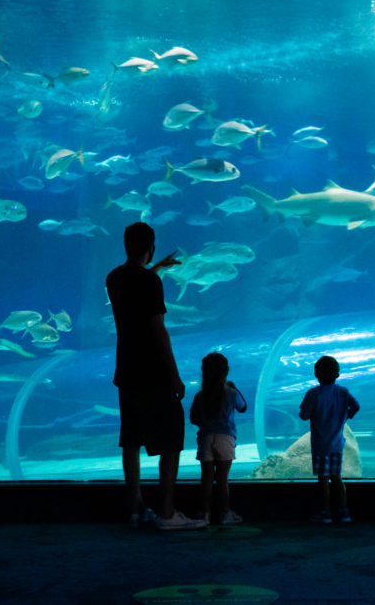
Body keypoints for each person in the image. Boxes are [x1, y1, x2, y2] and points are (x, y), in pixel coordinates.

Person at [105, 222, 205, 531]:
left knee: (132, 439)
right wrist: (175, 376)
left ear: (126, 245)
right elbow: (157, 329)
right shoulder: (149, 282)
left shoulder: (113, 278)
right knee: (172, 438)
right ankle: (166, 511)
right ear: (151, 246)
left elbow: (136, 289)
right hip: (153, 369)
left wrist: (156, 269)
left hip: (126, 368)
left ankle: (134, 509)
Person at [299, 355, 360, 524]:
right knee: (337, 477)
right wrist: (346, 417)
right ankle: (343, 511)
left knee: (323, 479)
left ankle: (325, 512)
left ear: (316, 374)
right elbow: (356, 406)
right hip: (337, 444)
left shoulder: (313, 394)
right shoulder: (343, 392)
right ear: (337, 374)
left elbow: (304, 416)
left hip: (320, 445)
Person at [189, 352, 247, 525]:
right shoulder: (231, 393)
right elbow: (243, 407)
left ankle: (204, 514)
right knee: (222, 479)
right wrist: (235, 387)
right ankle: (225, 513)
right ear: (226, 371)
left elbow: (193, 418)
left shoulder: (199, 396)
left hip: (206, 438)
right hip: (225, 439)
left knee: (206, 477)